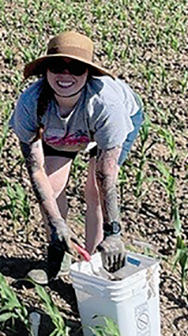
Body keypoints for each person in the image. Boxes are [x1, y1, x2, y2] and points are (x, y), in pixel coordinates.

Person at [10, 31, 144, 283]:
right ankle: (58, 258)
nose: (65, 75)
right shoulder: (31, 102)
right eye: (57, 66)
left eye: (77, 68)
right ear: (46, 70)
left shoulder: (107, 105)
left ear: (88, 73)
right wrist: (55, 222)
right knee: (51, 185)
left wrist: (113, 233)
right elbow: (36, 170)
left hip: (107, 123)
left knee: (94, 189)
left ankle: (93, 266)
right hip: (64, 129)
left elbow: (107, 174)